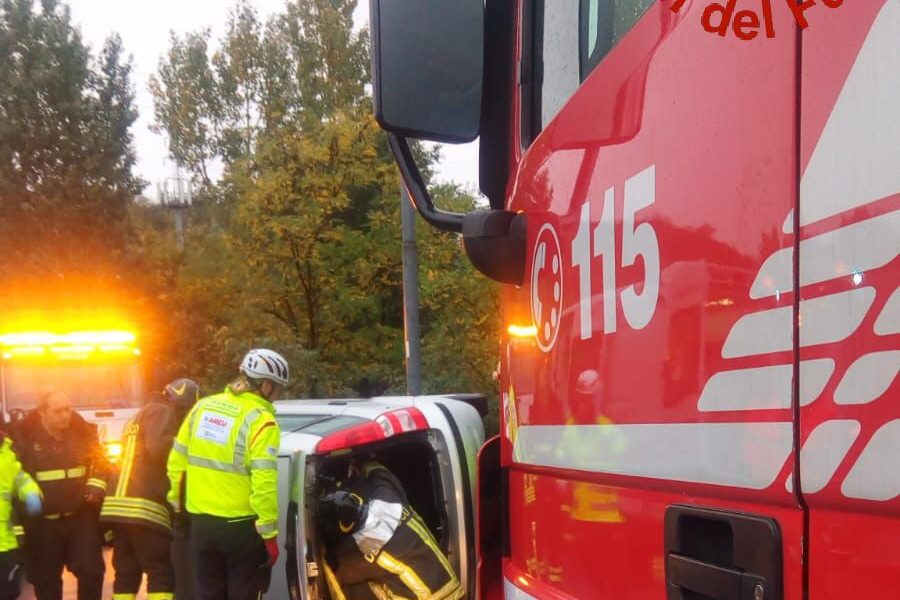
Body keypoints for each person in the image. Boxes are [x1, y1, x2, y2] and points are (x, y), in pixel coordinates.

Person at [167, 349, 288, 600]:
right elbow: (264, 482)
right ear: (264, 385)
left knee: (209, 594)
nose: (277, 394)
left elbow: (176, 462)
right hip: (240, 530)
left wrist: (178, 509)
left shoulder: (202, 407)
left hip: (200, 525)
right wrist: (270, 536)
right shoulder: (261, 421)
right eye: (277, 388)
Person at [100, 378, 200, 600]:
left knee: (126, 574)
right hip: (145, 507)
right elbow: (158, 447)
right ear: (181, 401)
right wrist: (188, 447)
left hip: (119, 509)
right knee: (160, 572)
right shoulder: (162, 410)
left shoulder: (139, 415)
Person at [12, 391, 110, 600]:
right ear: (42, 412)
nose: (66, 415)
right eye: (58, 411)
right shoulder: (25, 441)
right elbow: (13, 475)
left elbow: (101, 462)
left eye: (68, 409)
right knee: (46, 581)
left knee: (92, 571)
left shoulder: (82, 435)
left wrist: (95, 488)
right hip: (43, 524)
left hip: (79, 517)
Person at [319, 461, 463, 600]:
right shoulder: (388, 497)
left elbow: (339, 576)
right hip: (452, 588)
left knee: (351, 590)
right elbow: (379, 471)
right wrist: (359, 464)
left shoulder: (361, 551)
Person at [0, 430, 42, 600]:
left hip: (5, 541)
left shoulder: (7, 456)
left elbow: (21, 479)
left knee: (9, 592)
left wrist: (31, 493)